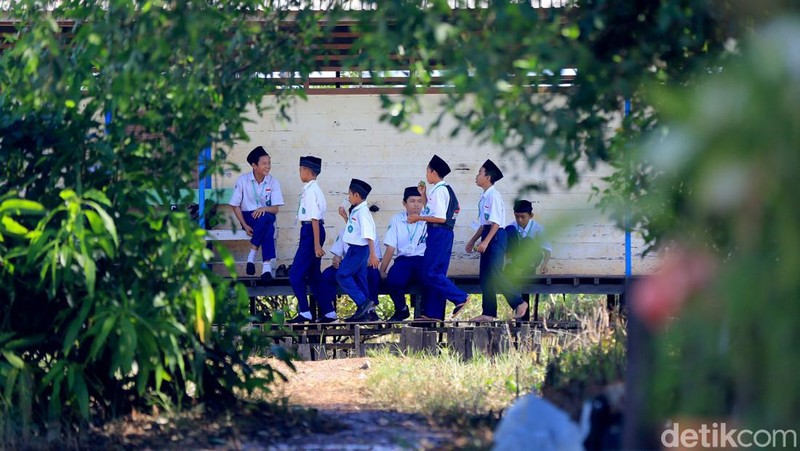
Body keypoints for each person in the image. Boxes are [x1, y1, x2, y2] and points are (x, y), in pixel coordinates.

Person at [407, 155, 469, 321]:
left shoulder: (440, 191)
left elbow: (440, 218)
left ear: (433, 172)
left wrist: (418, 218)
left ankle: (460, 297)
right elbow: (433, 211)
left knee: (430, 272)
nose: (426, 175)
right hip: (443, 233)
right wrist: (424, 195)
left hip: (439, 232)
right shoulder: (442, 189)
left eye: (427, 171)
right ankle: (433, 313)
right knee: (437, 272)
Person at [465, 159, 516, 322]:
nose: (477, 175)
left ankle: (519, 302)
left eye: (480, 172)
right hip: (488, 233)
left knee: (494, 273)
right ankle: (489, 312)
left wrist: (485, 242)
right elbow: (483, 223)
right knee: (485, 277)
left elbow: (496, 223)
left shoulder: (493, 195)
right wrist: (473, 240)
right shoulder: (485, 196)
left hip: (496, 235)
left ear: (487, 177)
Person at [229, 146, 283, 282]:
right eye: (264, 163)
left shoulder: (273, 181)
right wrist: (244, 225)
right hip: (249, 217)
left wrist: (263, 209)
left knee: (266, 219)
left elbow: (276, 208)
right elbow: (234, 205)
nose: (268, 166)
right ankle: (266, 268)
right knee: (268, 226)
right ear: (254, 165)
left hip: (267, 215)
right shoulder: (243, 180)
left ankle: (252, 256)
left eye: (269, 163)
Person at [314, 227, 383, 323]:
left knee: (373, 275)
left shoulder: (370, 233)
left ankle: (370, 311)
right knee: (327, 275)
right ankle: (329, 313)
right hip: (346, 267)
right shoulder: (344, 232)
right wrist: (336, 260)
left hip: (364, 266)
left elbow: (376, 259)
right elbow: (337, 254)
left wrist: (356, 266)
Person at [287, 155, 326, 324]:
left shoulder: (310, 190)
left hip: (311, 231)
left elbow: (314, 218)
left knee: (295, 275)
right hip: (313, 231)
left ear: (306, 171)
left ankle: (305, 311)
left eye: (300, 169)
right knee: (313, 274)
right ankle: (329, 311)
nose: (299, 173)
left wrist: (316, 244)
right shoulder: (315, 189)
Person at [379, 186, 428, 322]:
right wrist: (382, 270)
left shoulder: (428, 218)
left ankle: (425, 316)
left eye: (420, 201)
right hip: (403, 261)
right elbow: (390, 247)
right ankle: (401, 309)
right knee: (393, 280)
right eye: (412, 201)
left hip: (423, 260)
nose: (416, 205)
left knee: (430, 281)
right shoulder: (397, 220)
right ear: (404, 203)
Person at [336, 179, 381, 322]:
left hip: (358, 250)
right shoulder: (357, 210)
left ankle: (363, 303)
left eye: (349, 194)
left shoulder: (362, 212)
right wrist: (345, 217)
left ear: (356, 195)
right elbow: (354, 230)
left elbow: (369, 234)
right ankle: (367, 314)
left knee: (342, 275)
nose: (348, 197)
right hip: (357, 248)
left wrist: (373, 255)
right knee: (360, 278)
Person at [503, 199, 553, 319]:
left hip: (532, 258)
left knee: (527, 241)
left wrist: (544, 265)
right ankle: (512, 266)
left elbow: (547, 249)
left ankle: (529, 268)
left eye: (523, 217)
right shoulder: (513, 227)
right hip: (516, 259)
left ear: (531, 216)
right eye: (517, 217)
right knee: (508, 231)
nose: (519, 220)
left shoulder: (538, 228)